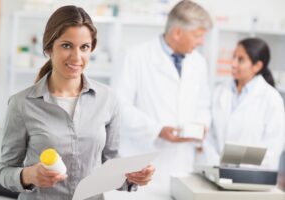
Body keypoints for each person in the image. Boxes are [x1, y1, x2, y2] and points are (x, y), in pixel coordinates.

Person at [0, 5, 154, 200]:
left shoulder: (108, 99)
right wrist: (28, 175)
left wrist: (132, 177)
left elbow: (110, 165)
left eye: (84, 47)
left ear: (91, 49)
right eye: (66, 45)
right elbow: (5, 172)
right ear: (49, 48)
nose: (76, 57)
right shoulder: (22, 104)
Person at [111, 0, 212, 189]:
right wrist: (157, 130)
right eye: (198, 36)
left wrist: (202, 125)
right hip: (142, 163)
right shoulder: (134, 57)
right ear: (177, 32)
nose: (201, 42)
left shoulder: (198, 62)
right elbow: (118, 107)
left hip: (182, 165)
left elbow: (203, 104)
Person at [204, 38, 285, 169]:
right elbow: (209, 134)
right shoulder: (220, 91)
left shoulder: (272, 99)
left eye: (240, 59)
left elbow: (273, 146)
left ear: (257, 66)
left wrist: (241, 168)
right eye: (234, 57)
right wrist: (216, 162)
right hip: (218, 172)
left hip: (253, 178)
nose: (233, 63)